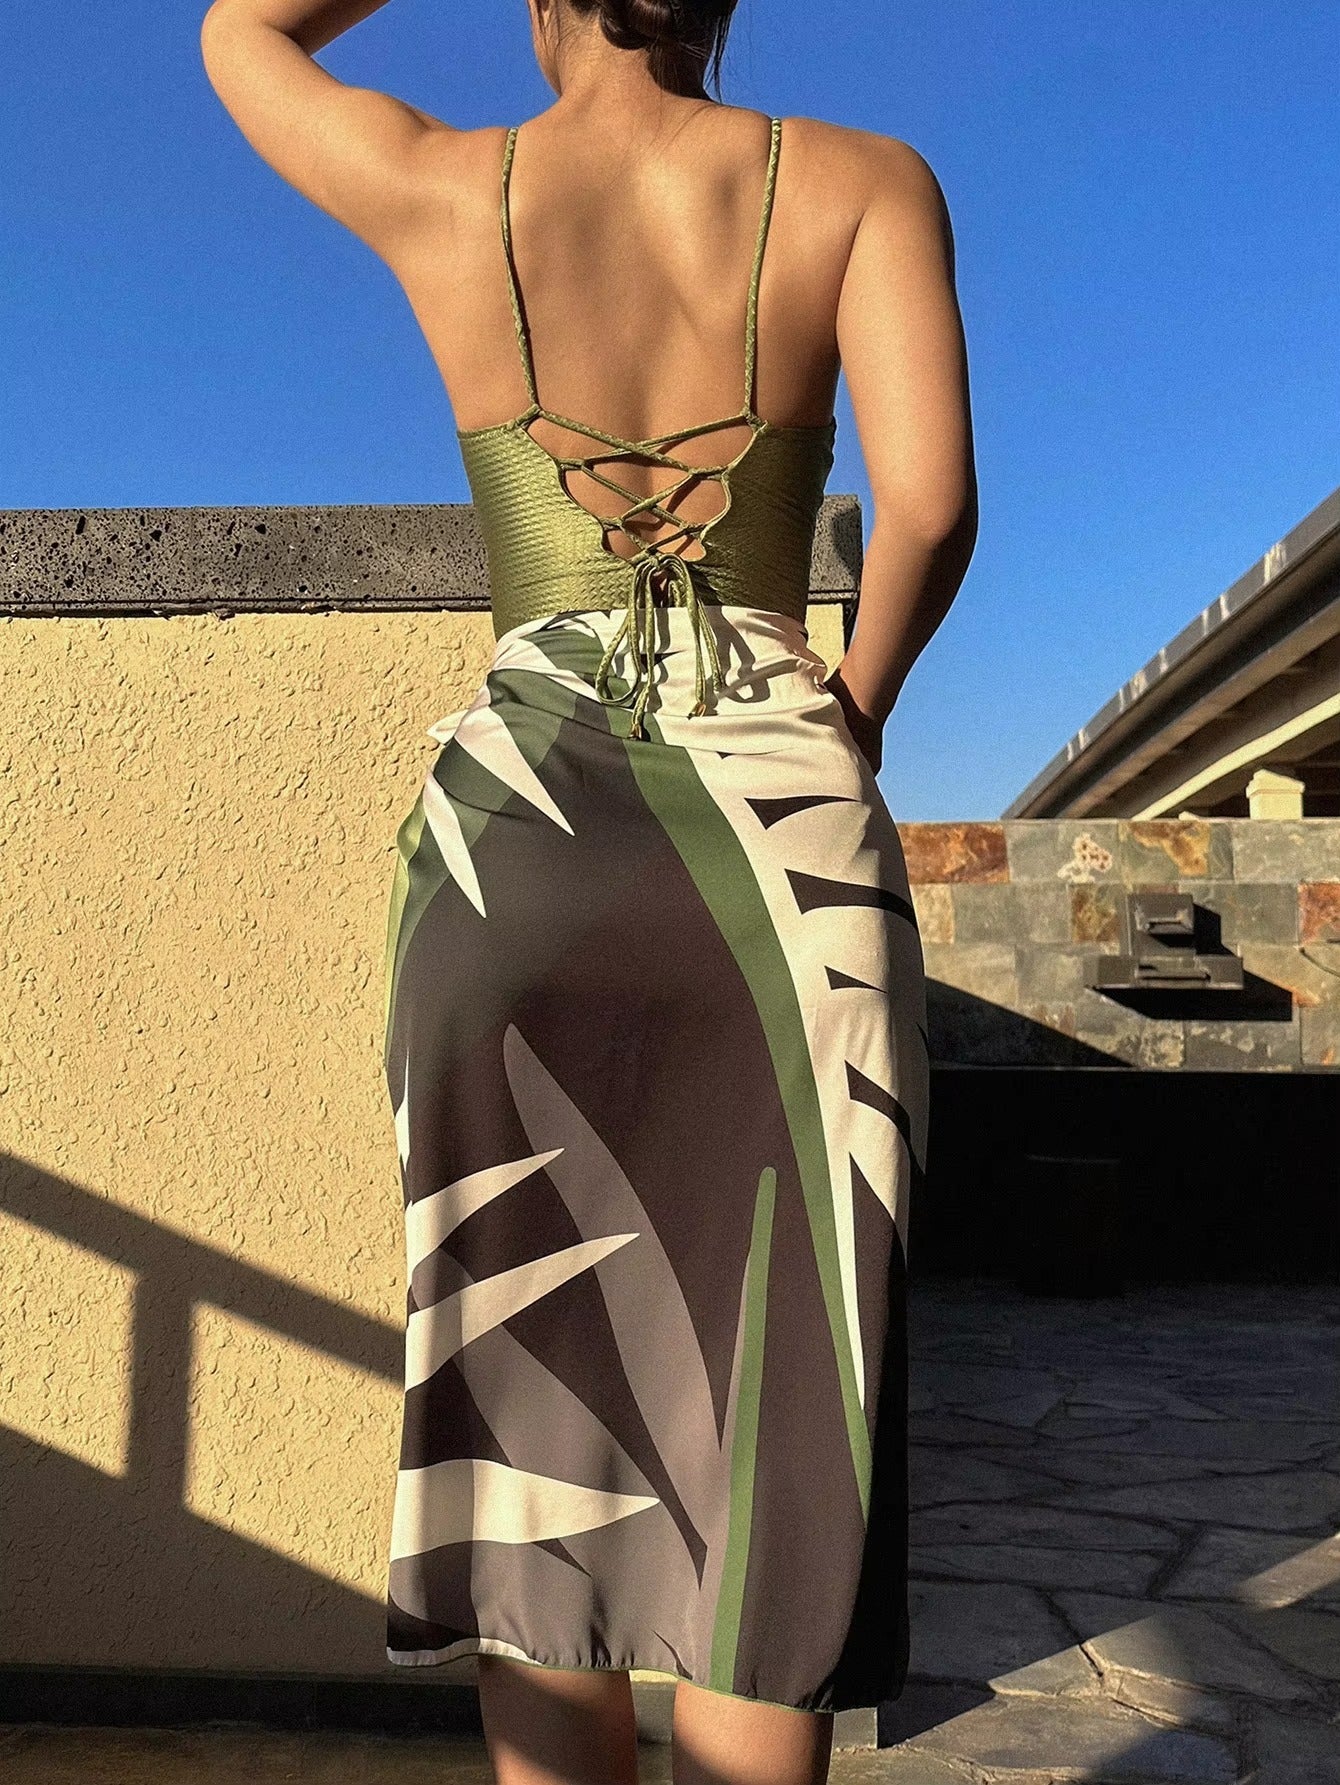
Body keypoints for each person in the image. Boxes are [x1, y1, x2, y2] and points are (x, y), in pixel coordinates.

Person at [201, 2, 977, 1780]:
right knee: (779, 1455)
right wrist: (842, 715)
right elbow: (930, 508)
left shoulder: (439, 183)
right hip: (783, 857)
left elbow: (240, 32)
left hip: (519, 852)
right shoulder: (864, 180)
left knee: (534, 1431)